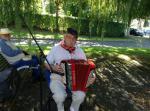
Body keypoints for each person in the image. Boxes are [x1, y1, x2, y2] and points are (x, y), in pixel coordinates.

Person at [45, 28, 96, 111]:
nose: (71, 40)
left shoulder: (79, 51)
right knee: (59, 96)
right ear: (64, 37)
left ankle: (73, 108)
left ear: (76, 40)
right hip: (58, 77)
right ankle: (60, 107)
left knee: (81, 95)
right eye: (69, 37)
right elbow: (46, 63)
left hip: (76, 80)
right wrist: (53, 67)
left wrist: (93, 75)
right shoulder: (56, 48)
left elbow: (88, 67)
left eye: (74, 38)